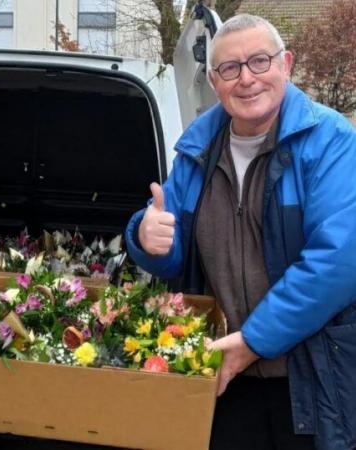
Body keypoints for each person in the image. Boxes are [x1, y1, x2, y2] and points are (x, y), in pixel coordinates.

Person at [125, 14, 356, 450]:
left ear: (285, 64)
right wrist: (144, 236)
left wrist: (253, 341)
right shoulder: (197, 151)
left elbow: (338, 262)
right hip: (224, 377)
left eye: (260, 62)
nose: (246, 78)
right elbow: (169, 252)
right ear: (214, 81)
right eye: (230, 68)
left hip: (310, 377)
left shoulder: (330, 141)